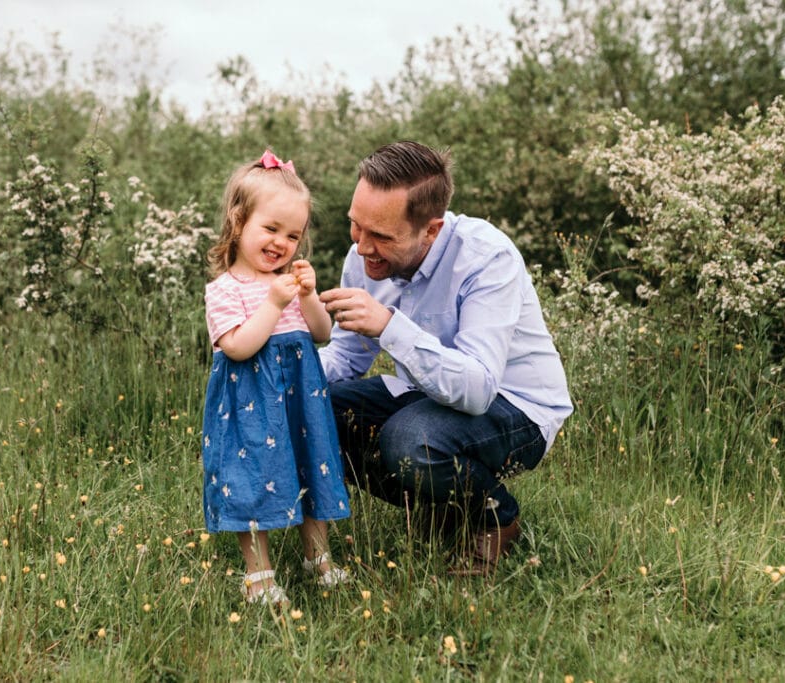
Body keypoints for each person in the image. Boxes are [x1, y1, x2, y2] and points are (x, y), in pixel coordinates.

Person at [318, 141, 572, 574]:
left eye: (380, 236)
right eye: (355, 227)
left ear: (431, 230)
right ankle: (443, 507)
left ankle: (496, 517)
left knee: (409, 440)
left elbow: (476, 389)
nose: (362, 248)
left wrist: (389, 325)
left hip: (517, 407)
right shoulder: (364, 256)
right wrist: (282, 378)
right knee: (313, 409)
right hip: (426, 397)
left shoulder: (486, 257)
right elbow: (345, 356)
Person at [202, 150, 350, 604]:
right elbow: (239, 346)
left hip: (301, 397)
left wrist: (307, 297)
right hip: (251, 401)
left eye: (293, 235)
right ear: (238, 220)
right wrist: (272, 304)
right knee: (252, 477)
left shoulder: (288, 283)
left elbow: (322, 334)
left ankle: (318, 558)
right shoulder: (225, 289)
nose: (282, 243)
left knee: (313, 465)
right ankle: (259, 574)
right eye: (271, 229)